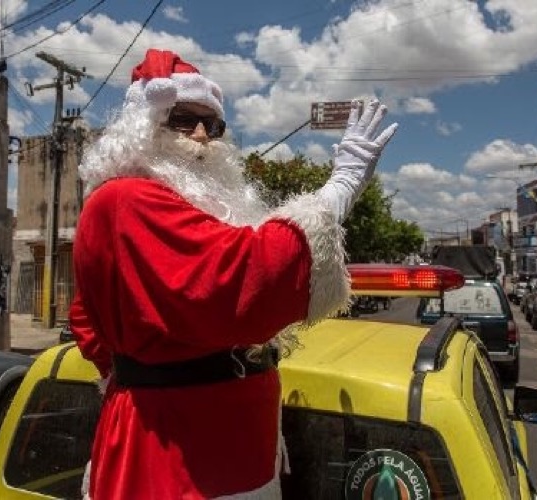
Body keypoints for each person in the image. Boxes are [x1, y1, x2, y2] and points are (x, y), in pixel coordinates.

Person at [69, 48, 397, 499]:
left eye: (214, 124)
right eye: (184, 118)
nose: (203, 135)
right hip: (179, 458)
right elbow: (238, 279)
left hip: (225, 443)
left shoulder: (188, 205)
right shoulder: (125, 198)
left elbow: (84, 317)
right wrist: (337, 191)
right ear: (144, 125)